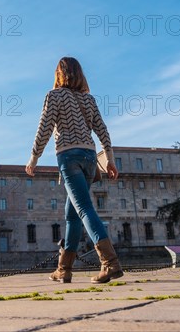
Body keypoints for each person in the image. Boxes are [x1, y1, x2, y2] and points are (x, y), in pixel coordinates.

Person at [25, 56, 122, 284]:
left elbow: (45, 128)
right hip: (89, 159)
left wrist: (33, 159)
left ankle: (110, 262)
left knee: (85, 208)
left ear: (59, 74)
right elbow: (103, 132)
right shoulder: (88, 100)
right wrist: (110, 160)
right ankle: (64, 269)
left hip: (69, 157)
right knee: (72, 214)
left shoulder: (54, 96)